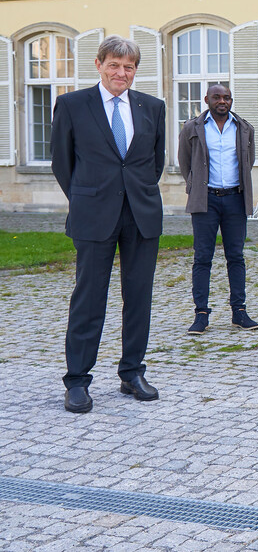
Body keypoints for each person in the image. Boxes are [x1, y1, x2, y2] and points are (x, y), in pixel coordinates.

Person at [50, 35, 166, 413]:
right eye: (114, 65)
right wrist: (89, 197)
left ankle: (132, 372)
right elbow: (62, 163)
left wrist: (135, 194)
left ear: (136, 71)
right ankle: (78, 380)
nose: (121, 73)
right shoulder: (72, 105)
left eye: (128, 67)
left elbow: (154, 163)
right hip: (93, 214)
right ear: (99, 65)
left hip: (141, 215)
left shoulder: (153, 107)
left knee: (139, 298)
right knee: (88, 298)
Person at [178, 84, 258, 335]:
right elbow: (185, 161)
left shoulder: (244, 128)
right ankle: (201, 314)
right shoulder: (192, 128)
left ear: (231, 100)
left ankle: (239, 312)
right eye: (217, 97)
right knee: (203, 257)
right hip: (206, 200)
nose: (222, 101)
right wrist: (195, 185)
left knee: (236, 256)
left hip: (235, 198)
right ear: (207, 100)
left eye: (226, 97)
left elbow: (249, 160)